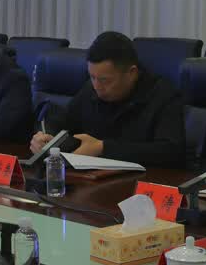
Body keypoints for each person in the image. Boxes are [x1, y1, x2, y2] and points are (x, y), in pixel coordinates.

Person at [27, 31, 184, 167]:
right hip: (93, 179)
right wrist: (45, 136)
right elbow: (64, 120)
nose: (97, 86)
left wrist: (103, 148)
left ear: (132, 73)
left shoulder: (163, 95)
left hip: (144, 182)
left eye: (105, 80)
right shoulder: (91, 89)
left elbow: (170, 151)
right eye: (92, 77)